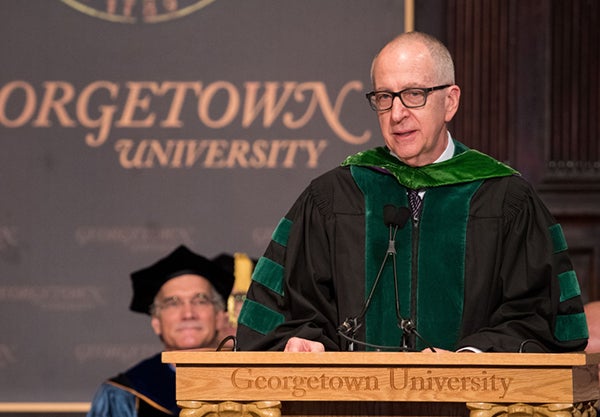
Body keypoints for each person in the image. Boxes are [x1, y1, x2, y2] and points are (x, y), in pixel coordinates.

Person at [235, 31, 588, 353]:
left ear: (450, 102)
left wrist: (472, 358)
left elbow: (539, 317)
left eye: (414, 94)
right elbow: (287, 311)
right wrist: (307, 343)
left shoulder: (506, 199)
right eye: (385, 97)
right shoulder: (333, 197)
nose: (397, 114)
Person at [87, 245, 234, 417]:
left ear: (219, 317)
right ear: (156, 322)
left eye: (200, 300)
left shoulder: (252, 385)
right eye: (173, 303)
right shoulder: (122, 396)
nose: (188, 314)